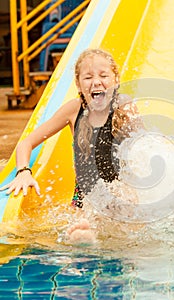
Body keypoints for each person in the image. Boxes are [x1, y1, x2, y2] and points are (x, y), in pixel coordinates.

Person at [0, 48, 144, 243]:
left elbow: (143, 148)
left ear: (115, 80)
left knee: (131, 224)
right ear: (78, 84)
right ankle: (85, 237)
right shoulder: (73, 110)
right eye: (87, 77)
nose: (96, 82)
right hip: (84, 196)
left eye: (103, 75)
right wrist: (23, 171)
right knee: (83, 223)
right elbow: (26, 143)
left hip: (121, 191)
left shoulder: (124, 106)